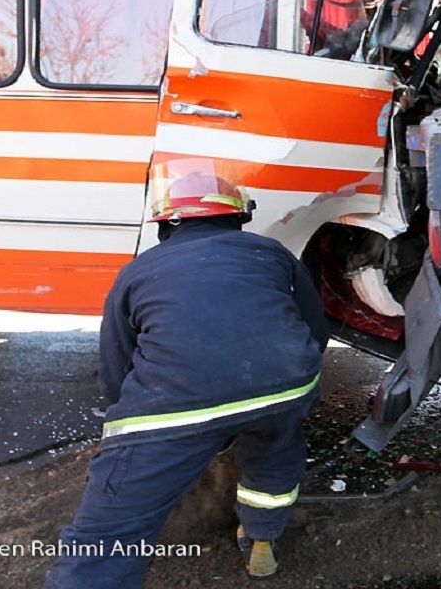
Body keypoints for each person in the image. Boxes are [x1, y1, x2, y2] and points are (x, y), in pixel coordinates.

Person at [45, 164, 330, 587]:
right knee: (275, 447)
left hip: (176, 405)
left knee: (106, 537)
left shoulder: (138, 271)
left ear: (165, 225)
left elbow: (116, 366)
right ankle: (262, 541)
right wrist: (277, 383)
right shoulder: (271, 253)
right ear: (239, 216)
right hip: (285, 386)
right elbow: (316, 328)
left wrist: (131, 435)